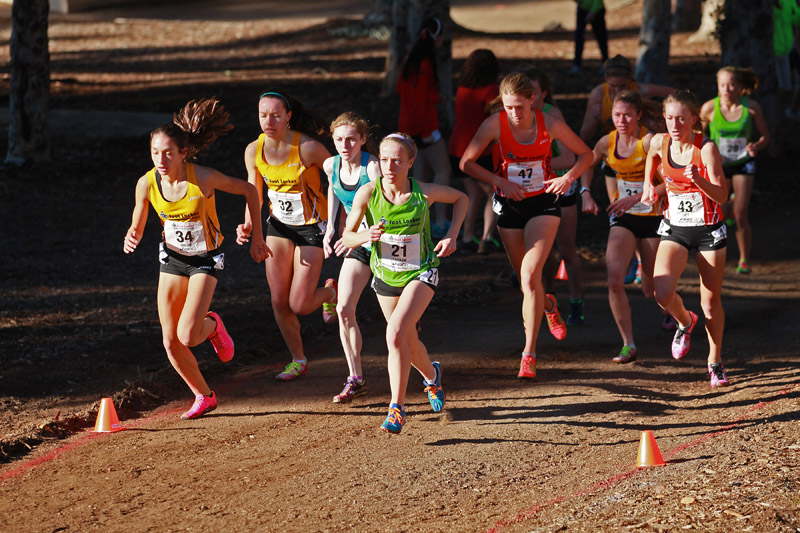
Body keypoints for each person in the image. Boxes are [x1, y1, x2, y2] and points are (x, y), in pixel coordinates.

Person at [123, 98, 269, 420]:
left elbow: (250, 191)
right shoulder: (146, 183)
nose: (161, 160)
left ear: (184, 153)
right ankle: (204, 395)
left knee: (189, 334)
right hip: (172, 260)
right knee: (171, 340)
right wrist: (133, 232)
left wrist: (257, 237)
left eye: (168, 153)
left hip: (205, 259)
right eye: (155, 153)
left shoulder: (202, 177)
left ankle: (213, 324)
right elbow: (140, 214)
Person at [461, 72, 593, 380]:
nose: (514, 113)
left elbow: (585, 154)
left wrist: (568, 178)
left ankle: (528, 354)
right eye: (508, 107)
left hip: (543, 203)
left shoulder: (550, 123)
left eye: (519, 107)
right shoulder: (495, 124)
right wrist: (498, 181)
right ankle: (548, 303)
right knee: (527, 284)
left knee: (531, 273)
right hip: (509, 205)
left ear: (533, 100)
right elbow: (466, 163)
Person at [342, 133, 467, 434]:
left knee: (395, 332)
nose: (390, 166)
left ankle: (396, 408)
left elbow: (461, 198)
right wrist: (365, 236)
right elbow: (347, 236)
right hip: (385, 276)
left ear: (411, 162)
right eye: (384, 159)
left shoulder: (423, 193)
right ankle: (432, 376)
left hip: (420, 273)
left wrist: (452, 234)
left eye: (397, 160)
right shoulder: (368, 194)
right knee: (407, 340)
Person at [237, 90, 335, 382]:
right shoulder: (253, 150)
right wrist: (249, 226)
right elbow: (252, 191)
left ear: (289, 116)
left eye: (276, 115)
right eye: (263, 115)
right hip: (278, 226)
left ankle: (331, 292)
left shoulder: (309, 148)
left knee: (300, 304)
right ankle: (298, 359)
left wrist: (340, 222)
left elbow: (339, 179)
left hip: (311, 227)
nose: (269, 121)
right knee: (279, 301)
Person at [642, 90, 730, 389]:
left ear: (694, 119)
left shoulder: (706, 149)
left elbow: (722, 196)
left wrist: (700, 180)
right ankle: (684, 322)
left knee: (710, 303)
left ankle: (714, 362)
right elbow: (651, 157)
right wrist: (648, 186)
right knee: (662, 293)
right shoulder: (659, 141)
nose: (674, 124)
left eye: (681, 118)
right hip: (675, 226)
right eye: (669, 118)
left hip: (708, 228)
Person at [580, 90, 667, 363]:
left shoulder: (650, 141)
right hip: (623, 217)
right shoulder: (607, 142)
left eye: (627, 114)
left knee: (651, 289)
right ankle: (628, 344)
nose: (621, 120)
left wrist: (639, 195)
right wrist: (585, 192)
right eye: (617, 114)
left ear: (639, 115)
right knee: (614, 278)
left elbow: (670, 182)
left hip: (653, 217)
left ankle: (679, 317)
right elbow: (586, 162)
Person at [516, 64, 584, 328]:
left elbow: (569, 157)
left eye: (533, 91)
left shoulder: (552, 115)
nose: (529, 97)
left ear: (543, 93)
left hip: (560, 187)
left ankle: (576, 302)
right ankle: (544, 297)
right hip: (532, 189)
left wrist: (534, 164)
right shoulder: (514, 118)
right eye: (525, 92)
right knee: (537, 253)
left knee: (566, 247)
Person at [322, 112, 381, 403]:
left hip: (385, 243)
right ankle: (355, 377)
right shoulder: (330, 164)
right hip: (357, 242)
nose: (344, 145)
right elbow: (334, 191)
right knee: (344, 308)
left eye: (350, 140)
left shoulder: (372, 168)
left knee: (400, 319)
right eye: (338, 139)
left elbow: (386, 206)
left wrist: (361, 233)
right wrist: (331, 227)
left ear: (362, 140)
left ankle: (422, 370)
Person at [700, 67, 769, 274]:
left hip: (743, 163)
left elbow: (766, 136)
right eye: (722, 85)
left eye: (731, 84)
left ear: (739, 86)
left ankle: (744, 259)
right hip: (718, 165)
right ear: (718, 86)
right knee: (721, 211)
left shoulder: (752, 108)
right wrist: (708, 150)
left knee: (740, 214)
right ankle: (728, 205)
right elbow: (697, 136)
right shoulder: (709, 109)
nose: (727, 89)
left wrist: (756, 146)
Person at [396, 17, 452, 237]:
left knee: (419, 173)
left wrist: (433, 98)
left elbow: (403, 89)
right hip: (424, 127)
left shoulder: (410, 58)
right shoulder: (426, 64)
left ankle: (415, 221)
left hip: (407, 126)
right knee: (443, 170)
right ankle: (439, 222)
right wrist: (427, 132)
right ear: (437, 37)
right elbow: (419, 100)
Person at [448, 49, 500, 254]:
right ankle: (487, 237)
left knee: (474, 193)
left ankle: (467, 237)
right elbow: (497, 114)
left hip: (456, 149)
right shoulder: (490, 90)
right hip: (479, 152)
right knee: (493, 192)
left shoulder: (462, 88)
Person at [579, 55, 674, 144]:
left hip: (639, 144)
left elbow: (678, 95)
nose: (618, 90)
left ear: (630, 78)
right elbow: (584, 137)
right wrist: (595, 119)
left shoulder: (640, 90)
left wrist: (669, 113)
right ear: (605, 78)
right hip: (612, 147)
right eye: (613, 86)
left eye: (622, 86)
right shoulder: (598, 94)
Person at [568, 0, 609, 76]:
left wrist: (593, 11)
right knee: (578, 37)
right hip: (582, 8)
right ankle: (577, 65)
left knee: (601, 38)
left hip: (597, 9)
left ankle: (605, 64)